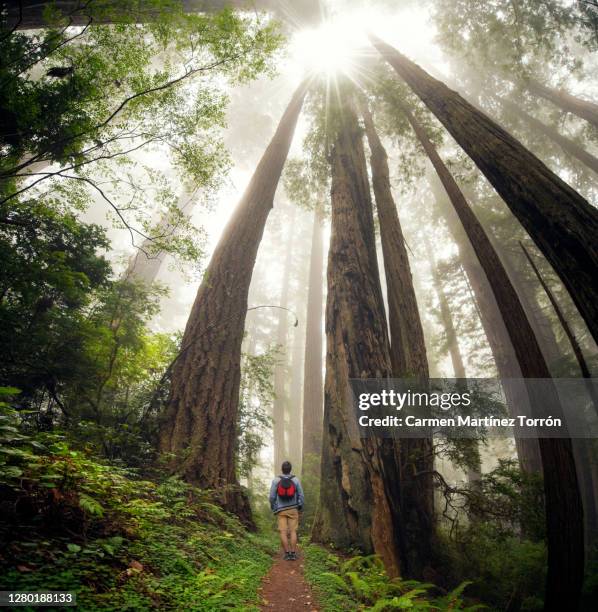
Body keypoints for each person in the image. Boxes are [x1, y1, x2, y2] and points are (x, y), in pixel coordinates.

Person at [269, 460, 304, 561]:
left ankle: (287, 553)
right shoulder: (295, 480)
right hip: (293, 509)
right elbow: (301, 495)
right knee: (293, 531)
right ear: (290, 469)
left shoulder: (276, 480)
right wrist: (300, 506)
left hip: (281, 510)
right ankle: (293, 553)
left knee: (283, 532)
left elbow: (272, 497)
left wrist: (273, 506)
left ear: (282, 469)